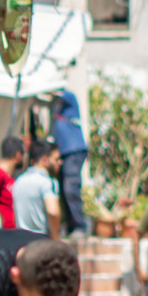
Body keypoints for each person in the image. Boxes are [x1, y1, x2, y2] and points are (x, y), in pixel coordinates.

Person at [11, 142, 65, 239]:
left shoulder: (19, 181)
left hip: (21, 239)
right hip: (41, 239)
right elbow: (53, 212)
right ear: (44, 160)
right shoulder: (47, 182)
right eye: (56, 159)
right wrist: (56, 238)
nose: (60, 162)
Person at [50, 86, 89, 217]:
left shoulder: (69, 98)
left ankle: (80, 226)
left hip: (74, 150)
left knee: (70, 188)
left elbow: (61, 93)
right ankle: (70, 225)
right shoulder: (57, 108)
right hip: (65, 152)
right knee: (62, 189)